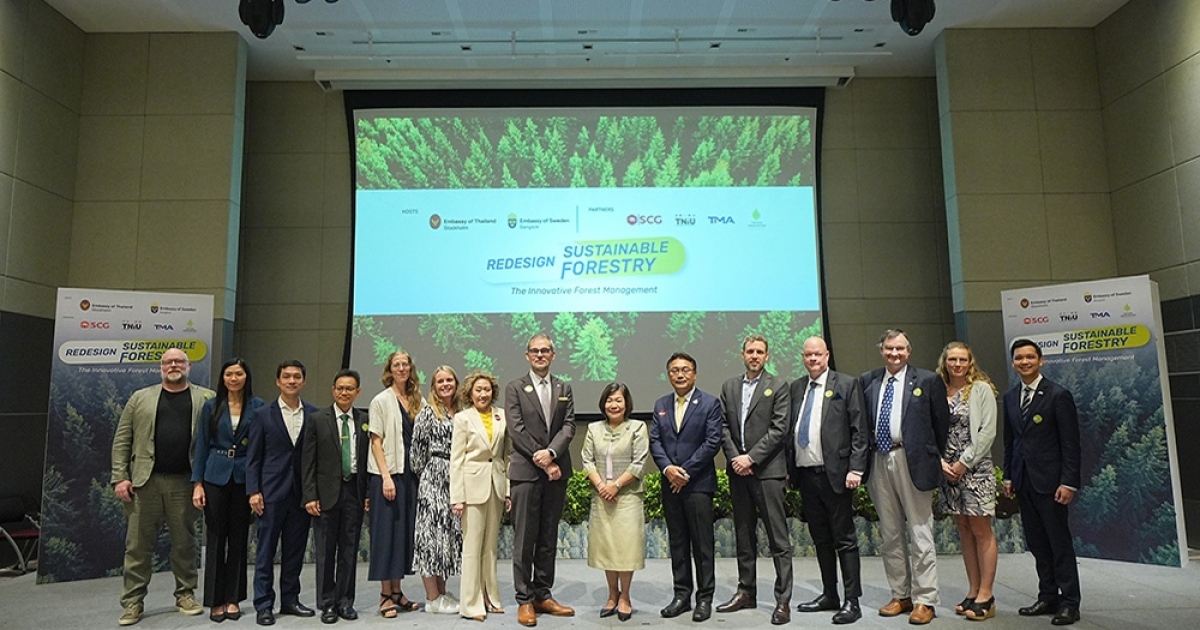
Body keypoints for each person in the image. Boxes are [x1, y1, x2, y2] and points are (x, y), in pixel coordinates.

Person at [111, 347, 215, 626]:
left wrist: (205, 481)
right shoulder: (140, 398)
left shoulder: (206, 398)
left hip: (185, 482)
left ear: (189, 366)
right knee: (137, 547)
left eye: (179, 361)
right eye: (168, 362)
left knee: (184, 544)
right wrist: (120, 477)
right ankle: (132, 601)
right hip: (145, 483)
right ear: (161, 367)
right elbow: (122, 439)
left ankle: (185, 594)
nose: (173, 365)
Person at [860, 329, 949, 625]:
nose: (894, 353)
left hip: (913, 461)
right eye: (889, 348)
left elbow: (941, 425)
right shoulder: (868, 381)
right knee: (890, 534)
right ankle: (901, 595)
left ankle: (925, 599)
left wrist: (930, 456)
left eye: (899, 348)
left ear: (908, 351)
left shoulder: (927, 380)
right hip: (879, 459)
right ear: (881, 350)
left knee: (920, 532)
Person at [786, 337, 868, 625]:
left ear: (827, 355)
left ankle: (852, 601)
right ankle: (829, 594)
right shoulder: (797, 387)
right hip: (806, 476)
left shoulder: (846, 384)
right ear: (803, 357)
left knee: (844, 539)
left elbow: (859, 430)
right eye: (808, 355)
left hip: (837, 476)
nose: (813, 359)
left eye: (817, 354)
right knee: (821, 539)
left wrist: (856, 469)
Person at [1003, 339, 1081, 626]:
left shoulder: (1058, 395)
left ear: (1041, 360)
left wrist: (1068, 482)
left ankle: (1070, 602)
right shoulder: (1010, 397)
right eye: (1019, 358)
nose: (1024, 362)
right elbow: (1010, 440)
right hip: (1023, 482)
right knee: (1037, 544)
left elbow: (1071, 444)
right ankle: (1048, 596)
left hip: (1051, 484)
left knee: (1059, 544)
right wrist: (1008, 475)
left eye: (1030, 357)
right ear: (1013, 363)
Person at [717, 335, 793, 625]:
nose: (754, 356)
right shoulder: (730, 386)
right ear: (742, 354)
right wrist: (736, 458)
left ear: (767, 356)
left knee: (778, 539)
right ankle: (746, 592)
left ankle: (782, 601)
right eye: (750, 351)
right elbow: (723, 427)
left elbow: (779, 429)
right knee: (744, 535)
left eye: (760, 352)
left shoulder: (778, 386)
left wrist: (751, 458)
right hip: (738, 473)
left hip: (768, 472)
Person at [503, 334, 577, 626]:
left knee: (547, 537)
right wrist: (543, 459)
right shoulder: (514, 388)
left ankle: (542, 594)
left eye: (545, 351)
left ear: (553, 355)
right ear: (527, 355)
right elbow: (516, 429)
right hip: (526, 473)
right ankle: (524, 599)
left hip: (556, 472)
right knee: (524, 539)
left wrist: (552, 453)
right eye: (535, 351)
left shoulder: (564, 387)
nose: (540, 355)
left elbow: (569, 426)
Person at [649, 352, 724, 623]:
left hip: (698, 484)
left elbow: (712, 442)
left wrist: (685, 472)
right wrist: (669, 470)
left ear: (695, 374)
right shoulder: (661, 404)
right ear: (668, 374)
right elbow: (655, 441)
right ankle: (681, 595)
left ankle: (705, 598)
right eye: (674, 370)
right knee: (678, 542)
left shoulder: (710, 403)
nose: (679, 375)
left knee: (702, 545)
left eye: (685, 370)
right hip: (670, 484)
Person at [246, 360, 319, 626]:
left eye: (296, 377)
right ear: (278, 381)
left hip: (301, 495)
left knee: (294, 551)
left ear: (303, 381)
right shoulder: (262, 414)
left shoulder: (313, 414)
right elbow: (253, 457)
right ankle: (264, 604)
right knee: (265, 552)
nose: (291, 381)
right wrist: (253, 491)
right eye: (286, 376)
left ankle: (290, 599)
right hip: (270, 493)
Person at [191, 358, 265, 623]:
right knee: (215, 539)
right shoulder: (211, 406)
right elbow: (201, 445)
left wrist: (258, 485)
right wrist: (197, 483)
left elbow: (261, 447)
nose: (234, 378)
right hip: (215, 475)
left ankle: (233, 598)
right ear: (223, 378)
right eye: (229, 374)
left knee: (238, 539)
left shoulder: (258, 407)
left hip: (244, 477)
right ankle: (215, 599)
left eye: (239, 374)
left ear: (247, 377)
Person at [935, 342, 1000, 621]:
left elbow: (987, 432)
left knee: (981, 529)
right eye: (952, 359)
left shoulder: (981, 389)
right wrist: (941, 463)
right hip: (947, 471)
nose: (957, 364)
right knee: (963, 528)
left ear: (970, 362)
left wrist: (964, 462)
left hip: (975, 469)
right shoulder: (938, 390)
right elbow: (929, 428)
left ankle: (986, 595)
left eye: (962, 359)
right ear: (945, 362)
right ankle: (973, 590)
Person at [301, 369, 371, 623]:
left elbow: (368, 461)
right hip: (325, 494)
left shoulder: (364, 420)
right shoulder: (317, 419)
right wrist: (310, 495)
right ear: (333, 390)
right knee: (325, 551)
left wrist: (367, 493)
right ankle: (327, 603)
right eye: (340, 388)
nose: (344, 392)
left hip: (354, 492)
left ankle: (345, 602)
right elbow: (308, 462)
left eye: (350, 388)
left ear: (357, 392)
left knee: (349, 551)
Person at [581, 382, 649, 622]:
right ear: (603, 404)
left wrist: (616, 485)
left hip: (628, 496)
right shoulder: (593, 428)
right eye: (610, 400)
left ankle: (625, 597)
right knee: (607, 547)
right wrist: (602, 486)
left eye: (618, 400)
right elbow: (587, 460)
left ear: (626, 404)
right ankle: (612, 595)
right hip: (601, 496)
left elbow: (639, 462)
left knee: (626, 548)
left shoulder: (637, 427)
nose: (614, 405)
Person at [451, 370, 512, 621]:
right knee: (472, 547)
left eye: (487, 389)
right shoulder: (463, 418)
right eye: (478, 390)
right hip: (471, 487)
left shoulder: (502, 416)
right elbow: (456, 460)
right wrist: (457, 497)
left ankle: (491, 598)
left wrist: (507, 491)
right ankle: (471, 604)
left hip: (495, 485)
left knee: (490, 547)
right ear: (470, 393)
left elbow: (506, 456)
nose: (483, 394)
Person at [366, 350, 422, 617]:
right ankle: (385, 595)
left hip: (409, 475)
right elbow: (375, 442)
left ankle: (398, 591)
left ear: (410, 368)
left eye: (405, 364)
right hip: (387, 475)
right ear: (390, 370)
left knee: (401, 535)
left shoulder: (417, 400)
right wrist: (386, 476)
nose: (401, 368)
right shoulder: (380, 400)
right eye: (396, 365)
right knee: (386, 535)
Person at [411, 366, 464, 614]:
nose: (445, 384)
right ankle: (432, 598)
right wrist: (430, 475)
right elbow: (416, 454)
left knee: (446, 537)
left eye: (449, 380)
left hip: (456, 478)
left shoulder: (461, 412)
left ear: (456, 383)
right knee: (429, 538)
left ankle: (442, 592)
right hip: (433, 477)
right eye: (440, 381)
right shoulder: (427, 413)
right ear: (433, 386)